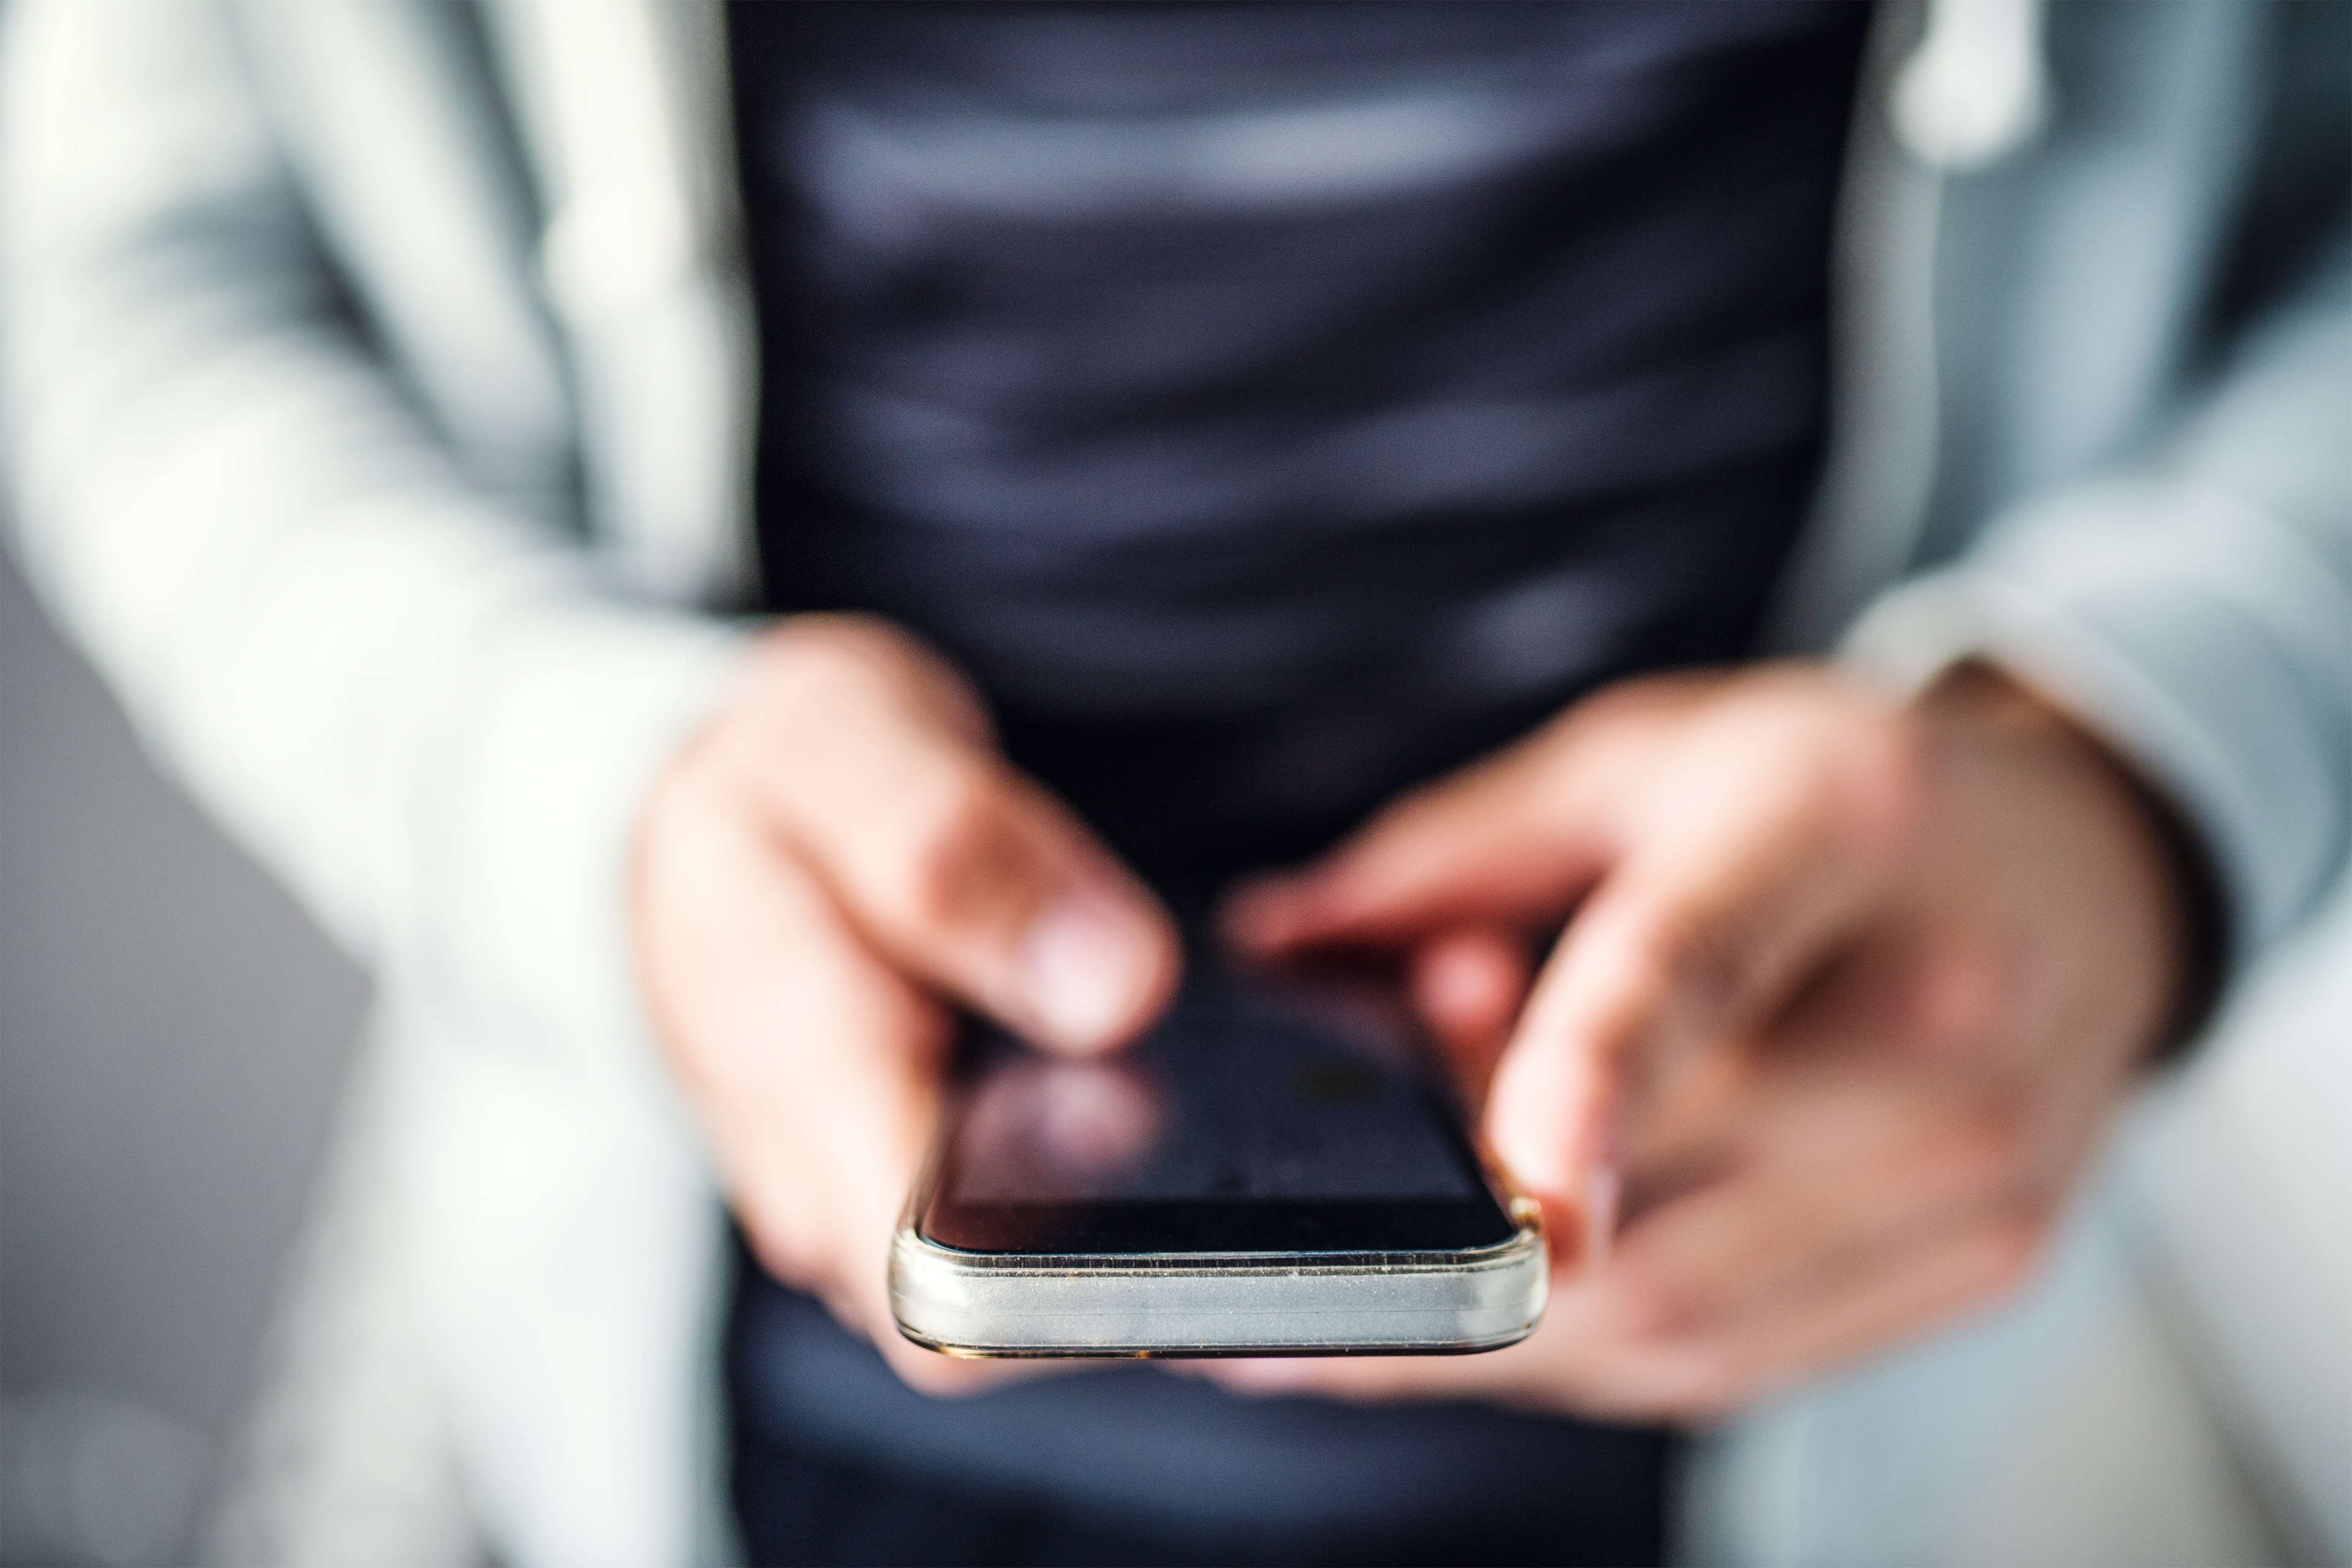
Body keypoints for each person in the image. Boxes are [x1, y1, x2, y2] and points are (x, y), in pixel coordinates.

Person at [3, 1, 2347, 1564]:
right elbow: (124, 252)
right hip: (634, 1352)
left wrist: (2142, 755)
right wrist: (562, 781)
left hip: (1809, 1416)